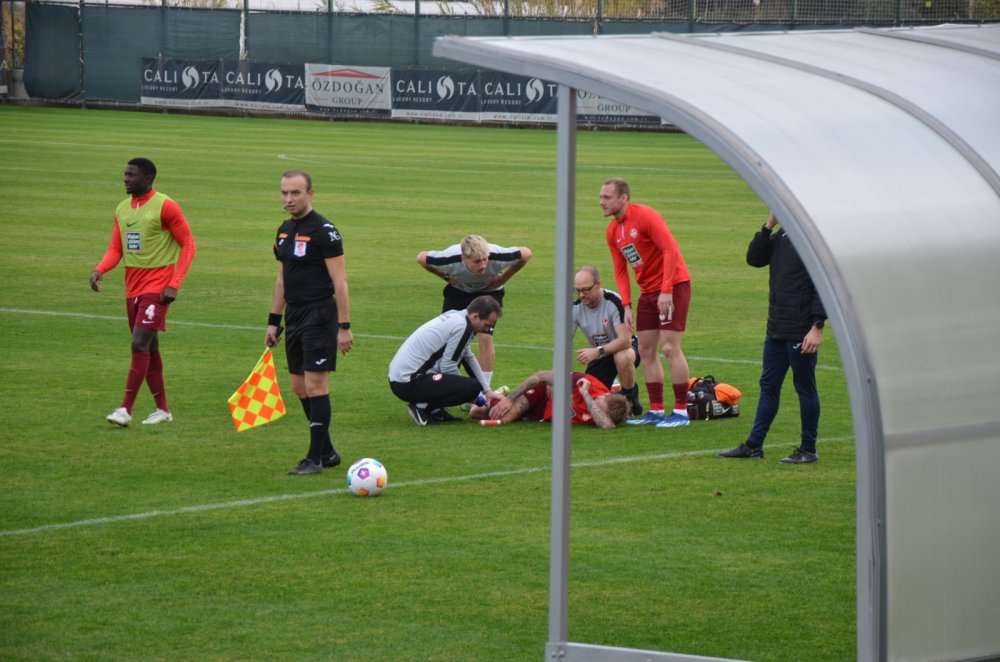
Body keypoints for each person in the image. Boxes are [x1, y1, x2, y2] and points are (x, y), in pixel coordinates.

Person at [90, 158, 197, 427]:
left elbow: (188, 244)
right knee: (149, 348)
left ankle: (125, 409)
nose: (125, 178)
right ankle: (163, 410)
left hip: (157, 289)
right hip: (133, 288)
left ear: (148, 178)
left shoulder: (165, 206)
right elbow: (117, 248)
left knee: (138, 343)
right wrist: (100, 269)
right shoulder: (122, 209)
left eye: (131, 175)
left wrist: (175, 283)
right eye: (124, 174)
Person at [719, 211, 826, 464]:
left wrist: (817, 326)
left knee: (804, 388)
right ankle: (754, 446)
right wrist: (768, 226)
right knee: (768, 387)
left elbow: (823, 286)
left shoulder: (810, 240)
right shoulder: (782, 235)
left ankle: (808, 449)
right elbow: (754, 259)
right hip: (776, 328)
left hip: (801, 329)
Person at [266, 170, 353, 476]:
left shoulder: (324, 231)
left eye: (295, 193)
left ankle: (314, 458)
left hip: (320, 315)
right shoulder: (283, 230)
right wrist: (274, 321)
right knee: (299, 387)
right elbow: (282, 279)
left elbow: (340, 281)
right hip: (295, 316)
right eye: (284, 193)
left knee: (316, 385)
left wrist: (344, 327)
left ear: (310, 194)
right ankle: (327, 451)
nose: (288, 199)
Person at [600, 178, 692, 429]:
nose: (601, 202)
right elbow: (620, 270)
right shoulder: (613, 231)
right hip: (648, 293)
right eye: (601, 197)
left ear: (623, 198)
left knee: (671, 349)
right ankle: (656, 410)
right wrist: (627, 305)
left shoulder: (646, 216)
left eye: (607, 197)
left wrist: (666, 290)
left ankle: (682, 412)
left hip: (673, 286)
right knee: (647, 350)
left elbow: (670, 250)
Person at [417, 235, 532, 389]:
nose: (483, 265)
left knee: (485, 336)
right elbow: (422, 258)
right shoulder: (450, 258)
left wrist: (502, 279)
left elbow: (526, 254)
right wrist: (445, 277)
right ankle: (446, 388)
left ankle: (484, 390)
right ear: (463, 258)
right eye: (477, 261)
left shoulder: (498, 255)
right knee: (448, 338)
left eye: (485, 259)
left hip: (490, 293)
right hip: (459, 292)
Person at [389, 295, 503, 426]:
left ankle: (435, 409)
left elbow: (467, 356)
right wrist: (470, 393)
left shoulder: (458, 316)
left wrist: (487, 391)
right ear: (476, 316)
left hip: (400, 379)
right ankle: (421, 408)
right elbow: (448, 366)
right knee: (471, 387)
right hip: (408, 382)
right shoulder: (462, 326)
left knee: (473, 386)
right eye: (486, 324)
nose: (487, 329)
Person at [572, 265, 643, 417]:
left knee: (621, 357)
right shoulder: (575, 308)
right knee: (588, 400)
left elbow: (625, 341)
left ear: (598, 284)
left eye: (586, 289)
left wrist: (596, 351)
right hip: (602, 355)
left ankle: (629, 400)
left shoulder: (614, 301)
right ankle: (626, 388)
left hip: (627, 348)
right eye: (577, 291)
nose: (581, 295)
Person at [473, 370, 630, 429]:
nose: (593, 409)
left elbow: (607, 426)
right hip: (543, 395)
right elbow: (542, 376)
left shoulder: (597, 411)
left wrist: (586, 397)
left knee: (476, 413)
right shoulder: (586, 382)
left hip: (543, 415)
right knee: (504, 418)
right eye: (597, 404)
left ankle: (495, 397)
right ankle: (505, 396)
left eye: (598, 411)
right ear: (605, 395)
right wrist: (510, 400)